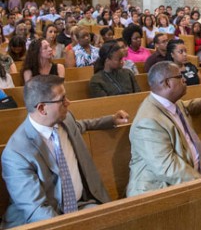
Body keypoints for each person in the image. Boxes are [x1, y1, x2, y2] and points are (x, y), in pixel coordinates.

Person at [1, 75, 129, 228]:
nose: (68, 102)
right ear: (42, 108)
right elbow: (36, 210)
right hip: (39, 222)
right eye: (62, 100)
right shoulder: (16, 153)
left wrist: (111, 120)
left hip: (80, 206)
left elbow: (81, 125)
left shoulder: (65, 120)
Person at [126, 61, 201, 197]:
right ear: (167, 83)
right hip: (158, 192)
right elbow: (167, 168)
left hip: (182, 183)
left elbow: (185, 106)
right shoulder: (147, 123)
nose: (185, 79)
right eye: (180, 77)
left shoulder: (170, 102)